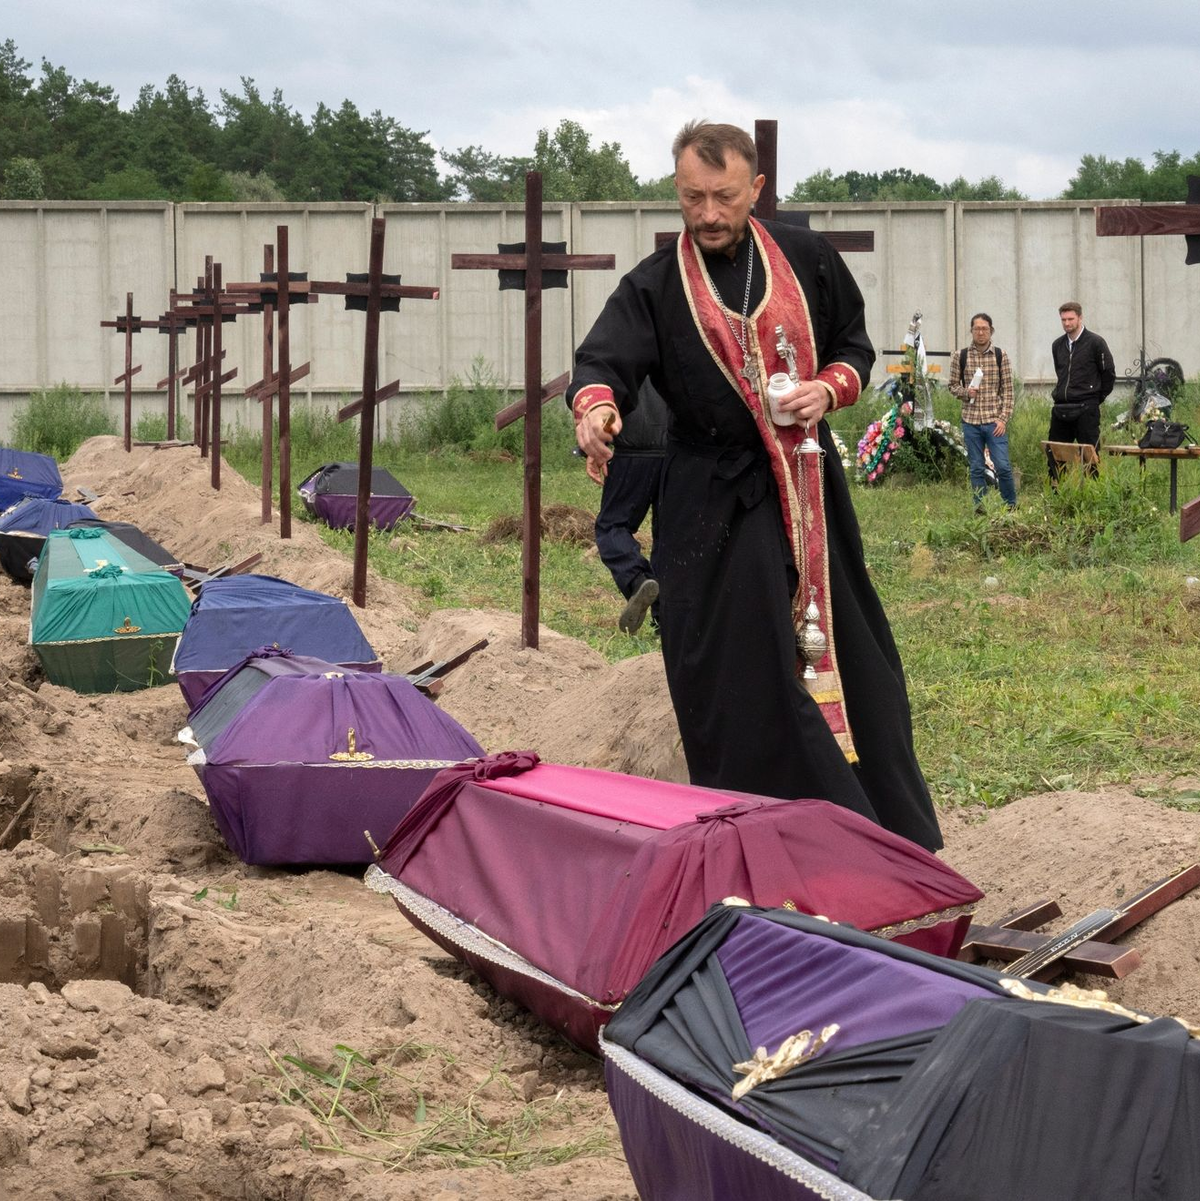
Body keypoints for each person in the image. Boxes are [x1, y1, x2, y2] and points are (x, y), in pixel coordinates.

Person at [566, 120, 942, 852]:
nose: (707, 213)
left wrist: (828, 389)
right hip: (709, 502)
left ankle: (888, 839)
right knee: (736, 675)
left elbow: (856, 347)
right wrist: (597, 406)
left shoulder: (807, 259)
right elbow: (603, 362)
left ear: (756, 189)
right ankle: (776, 841)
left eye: (724, 196)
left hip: (809, 493)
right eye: (692, 197)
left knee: (856, 663)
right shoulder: (654, 284)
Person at [594, 379, 668, 634]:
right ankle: (667, 620)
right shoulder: (678, 342)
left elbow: (606, 405)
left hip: (631, 451)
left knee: (611, 526)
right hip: (676, 454)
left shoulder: (622, 346)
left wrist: (597, 446)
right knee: (669, 537)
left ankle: (638, 580)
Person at [947, 312, 1017, 509]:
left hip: (994, 422)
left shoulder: (999, 355)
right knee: (976, 468)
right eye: (976, 328)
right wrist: (966, 392)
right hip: (970, 422)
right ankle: (980, 508)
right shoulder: (960, 356)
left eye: (984, 328)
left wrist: (1003, 419)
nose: (980, 332)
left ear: (991, 331)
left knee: (1002, 466)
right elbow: (952, 386)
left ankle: (1010, 506)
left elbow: (1008, 391)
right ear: (971, 331)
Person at [1048, 301, 1115, 480]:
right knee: (1055, 456)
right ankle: (1057, 497)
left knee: (1090, 456)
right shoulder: (1057, 345)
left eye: (1070, 319)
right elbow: (1061, 372)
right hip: (1062, 407)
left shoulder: (1096, 343)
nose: (1067, 323)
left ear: (1080, 318)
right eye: (1063, 320)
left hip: (1086, 407)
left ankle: (1092, 497)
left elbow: (1108, 373)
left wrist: (1095, 398)